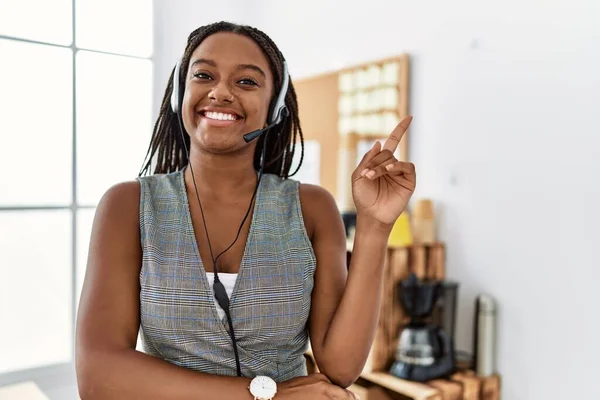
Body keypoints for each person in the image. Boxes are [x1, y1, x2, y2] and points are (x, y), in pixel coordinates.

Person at [75, 21, 416, 400]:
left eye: (247, 82)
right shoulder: (127, 206)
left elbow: (341, 367)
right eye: (204, 75)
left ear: (275, 106)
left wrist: (375, 226)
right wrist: (267, 395)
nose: (220, 91)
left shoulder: (312, 208)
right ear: (179, 94)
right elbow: (98, 375)